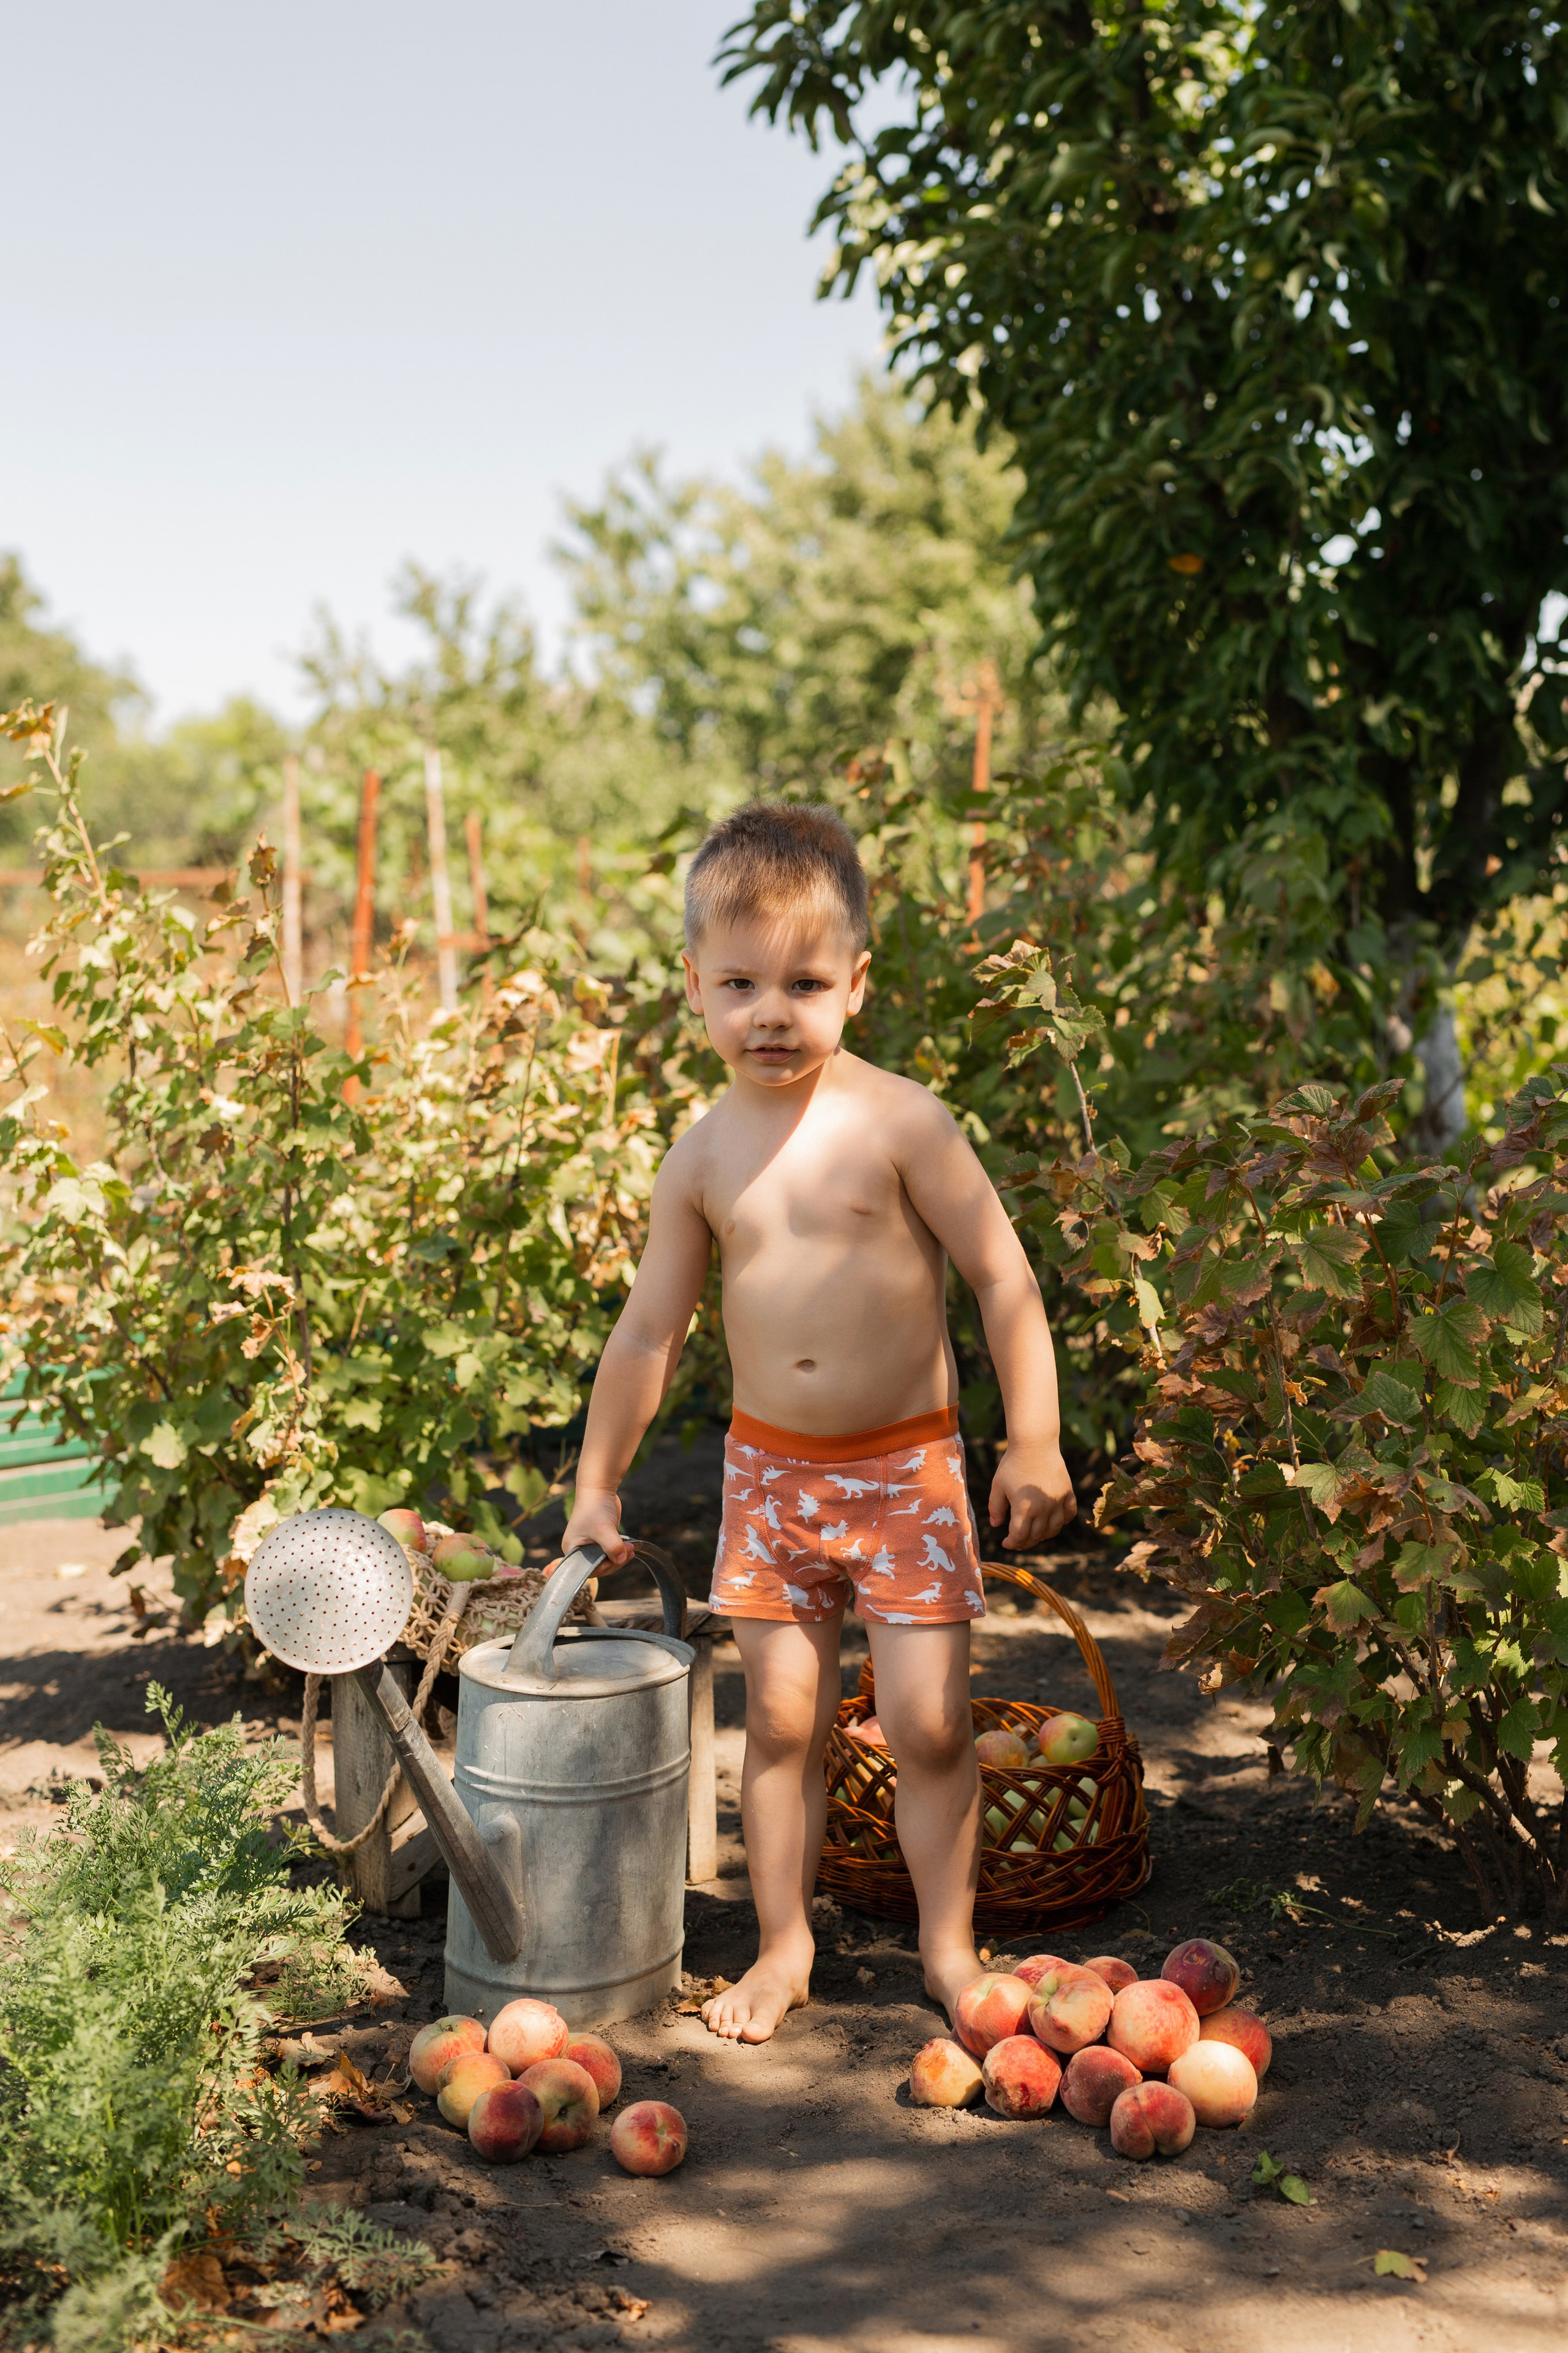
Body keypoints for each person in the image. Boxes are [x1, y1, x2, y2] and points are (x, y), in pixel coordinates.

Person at [561, 801, 1076, 2043]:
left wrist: (1033, 1438)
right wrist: (595, 1484)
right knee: (781, 1721)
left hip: (905, 1472)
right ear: (694, 987)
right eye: (737, 982)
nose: (769, 1011)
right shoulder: (697, 1159)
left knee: (928, 1721)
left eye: (801, 980)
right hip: (771, 1478)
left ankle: (948, 1951)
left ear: (854, 981)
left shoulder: (901, 1122)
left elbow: (1003, 1279)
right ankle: (783, 1946)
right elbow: (646, 1334)